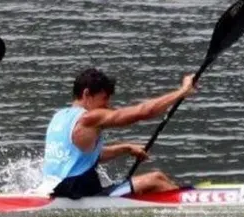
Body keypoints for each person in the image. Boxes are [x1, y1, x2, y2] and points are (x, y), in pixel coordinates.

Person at [41, 68, 197, 199]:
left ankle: (180, 202)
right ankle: (190, 213)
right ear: (87, 94)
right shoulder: (89, 118)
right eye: (104, 99)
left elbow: (82, 158)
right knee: (155, 179)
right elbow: (143, 112)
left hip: (57, 190)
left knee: (158, 179)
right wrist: (182, 92)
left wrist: (126, 149)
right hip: (81, 196)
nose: (107, 105)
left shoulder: (59, 117)